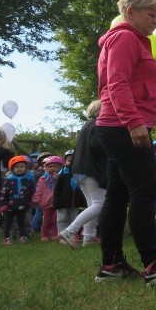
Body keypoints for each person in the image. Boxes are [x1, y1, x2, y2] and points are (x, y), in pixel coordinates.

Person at [95, 0, 156, 285]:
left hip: (117, 124)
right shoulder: (124, 38)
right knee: (145, 191)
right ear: (130, 13)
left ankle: (111, 264)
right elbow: (117, 83)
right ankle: (154, 262)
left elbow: (130, 80)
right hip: (124, 125)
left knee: (117, 196)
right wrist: (134, 122)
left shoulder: (135, 42)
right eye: (150, 14)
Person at [59, 100, 108, 247]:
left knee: (92, 204)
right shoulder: (97, 125)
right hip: (91, 170)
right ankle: (69, 231)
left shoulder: (87, 125)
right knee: (100, 203)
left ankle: (89, 237)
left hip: (80, 170)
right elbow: (97, 146)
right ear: (99, 111)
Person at [0, 155, 35, 245]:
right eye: (17, 167)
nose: (19, 169)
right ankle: (7, 237)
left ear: (26, 167)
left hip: (23, 204)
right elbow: (3, 193)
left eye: (22, 166)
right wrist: (3, 204)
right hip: (9, 205)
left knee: (22, 221)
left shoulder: (28, 179)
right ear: (12, 169)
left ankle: (23, 235)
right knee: (8, 222)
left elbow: (32, 192)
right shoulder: (9, 180)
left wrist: (31, 202)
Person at [52, 153, 86, 246]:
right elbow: (57, 190)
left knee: (74, 219)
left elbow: (83, 190)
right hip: (62, 202)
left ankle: (71, 236)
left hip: (75, 202)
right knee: (62, 219)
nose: (71, 163)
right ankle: (62, 236)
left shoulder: (80, 174)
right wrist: (55, 202)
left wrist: (83, 202)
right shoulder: (62, 174)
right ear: (65, 161)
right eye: (69, 160)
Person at [33, 156, 63, 242]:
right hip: (46, 202)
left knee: (55, 219)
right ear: (46, 167)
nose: (52, 168)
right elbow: (39, 189)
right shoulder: (43, 178)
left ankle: (54, 234)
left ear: (60, 167)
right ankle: (44, 234)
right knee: (46, 219)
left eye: (55, 166)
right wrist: (36, 200)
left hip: (57, 202)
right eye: (50, 166)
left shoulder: (61, 178)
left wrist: (57, 178)